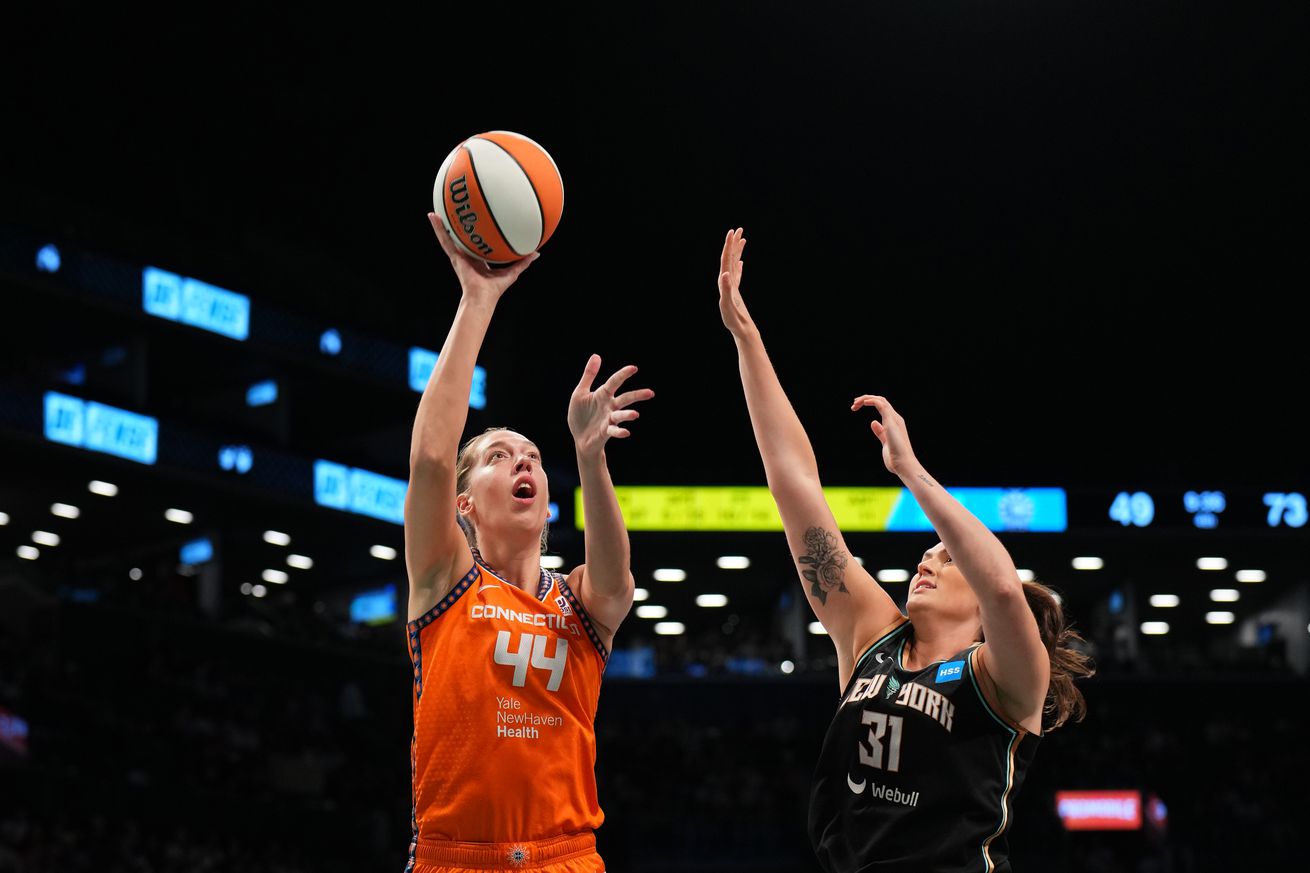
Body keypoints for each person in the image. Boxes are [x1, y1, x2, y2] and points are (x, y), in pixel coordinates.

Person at [715, 227, 1094, 872]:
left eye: (947, 558)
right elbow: (795, 486)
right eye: (930, 553)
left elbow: (1002, 586)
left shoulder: (1006, 680)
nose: (927, 559)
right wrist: (747, 340)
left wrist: (911, 472)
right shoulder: (872, 639)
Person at [403, 213, 652, 873]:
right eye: (498, 456)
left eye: (534, 457)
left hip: (563, 857)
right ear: (465, 504)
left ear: (547, 497)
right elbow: (431, 457)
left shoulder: (578, 599)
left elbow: (617, 580)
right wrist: (477, 301)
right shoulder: (444, 581)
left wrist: (590, 456)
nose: (522, 464)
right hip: (455, 858)